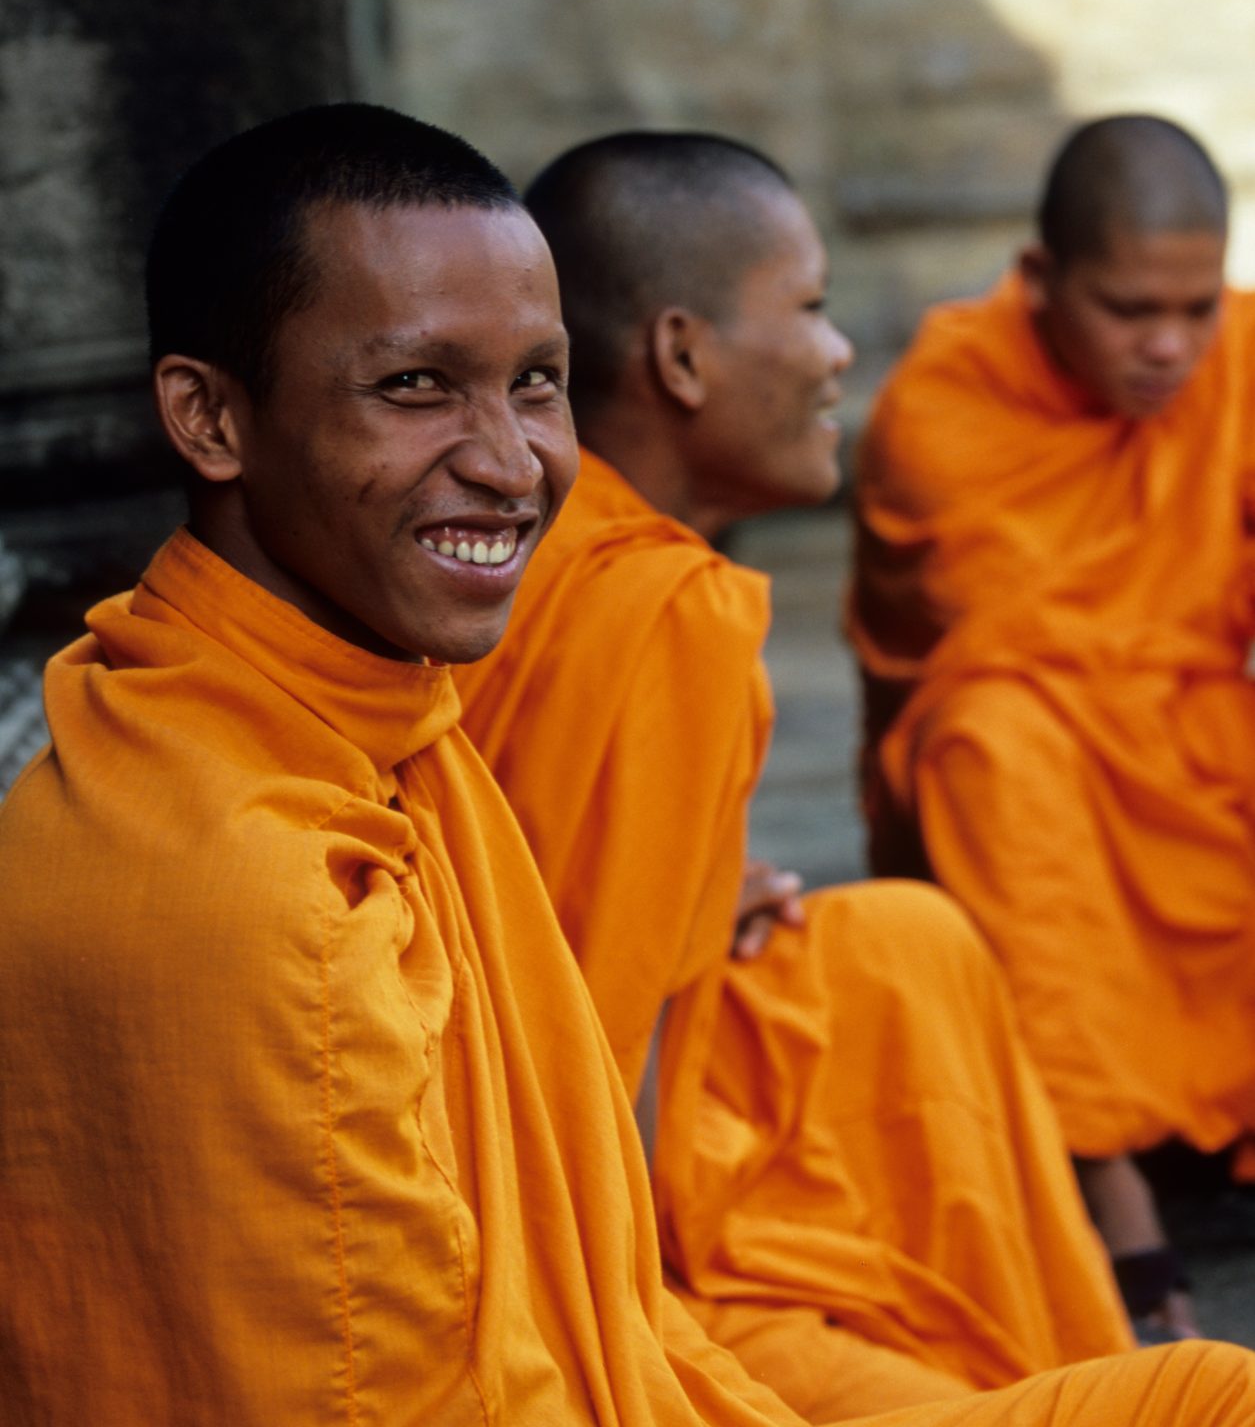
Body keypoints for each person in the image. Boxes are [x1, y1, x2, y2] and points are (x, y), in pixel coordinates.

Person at [1, 103, 1250, 1427]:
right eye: (414, 384)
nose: (511, 463)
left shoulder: (282, 711)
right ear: (209, 419)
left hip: (604, 1306)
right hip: (613, 1325)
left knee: (905, 954)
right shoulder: (283, 905)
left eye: (535, 383)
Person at [457, 129, 1142, 1424]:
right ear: (678, 355)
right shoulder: (663, 606)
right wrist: (667, 1311)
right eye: (812, 308)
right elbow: (592, 1067)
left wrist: (689, 910)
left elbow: (544, 907)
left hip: (552, 1083)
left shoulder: (535, 541)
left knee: (906, 941)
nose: (839, 354)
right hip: (592, 1214)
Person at [849, 113, 1255, 1340]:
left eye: (1197, 306)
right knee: (993, 743)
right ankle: (1108, 1185)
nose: (1171, 346)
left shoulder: (1239, 357)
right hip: (1030, 772)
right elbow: (999, 653)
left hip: (1192, 735)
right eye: (1131, 310)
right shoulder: (941, 407)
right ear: (1040, 283)